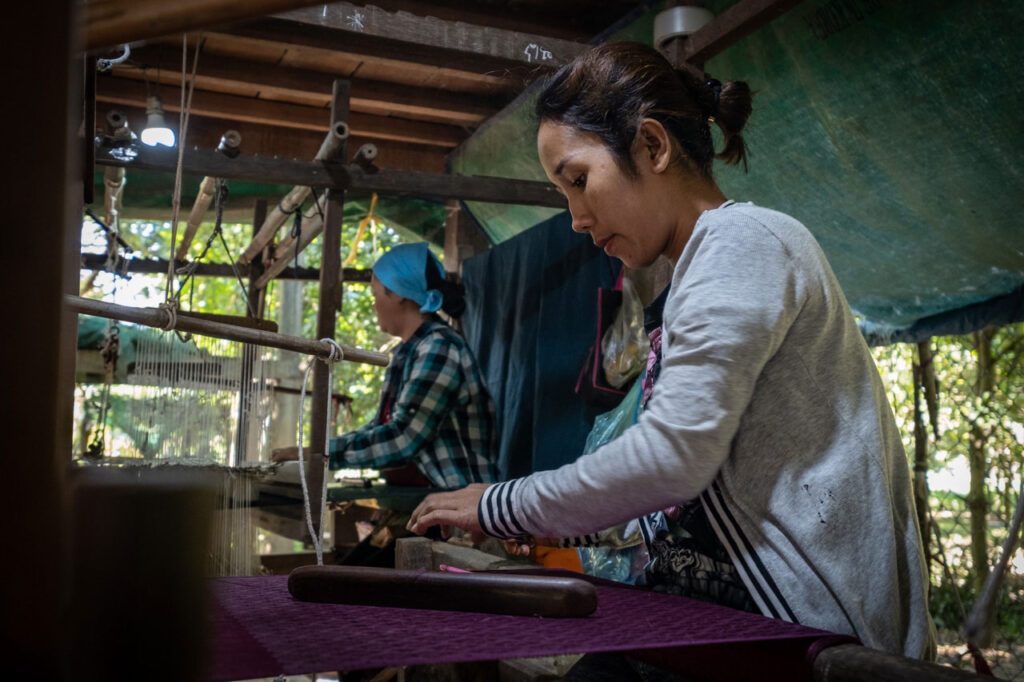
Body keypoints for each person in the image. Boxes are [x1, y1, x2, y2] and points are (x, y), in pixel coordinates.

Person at [407, 41, 935, 662]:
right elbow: (696, 484)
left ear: (652, 147)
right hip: (715, 618)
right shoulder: (692, 273)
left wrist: (504, 506)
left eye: (578, 180)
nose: (576, 216)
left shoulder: (744, 242)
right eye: (563, 193)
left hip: (797, 637)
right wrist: (575, 518)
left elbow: (671, 459)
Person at [276, 242, 499, 490]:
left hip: (465, 505)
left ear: (400, 293)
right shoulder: (407, 353)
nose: (374, 305)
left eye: (376, 295)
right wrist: (317, 449)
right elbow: (382, 428)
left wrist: (320, 453)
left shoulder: (439, 348)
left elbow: (403, 440)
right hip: (436, 498)